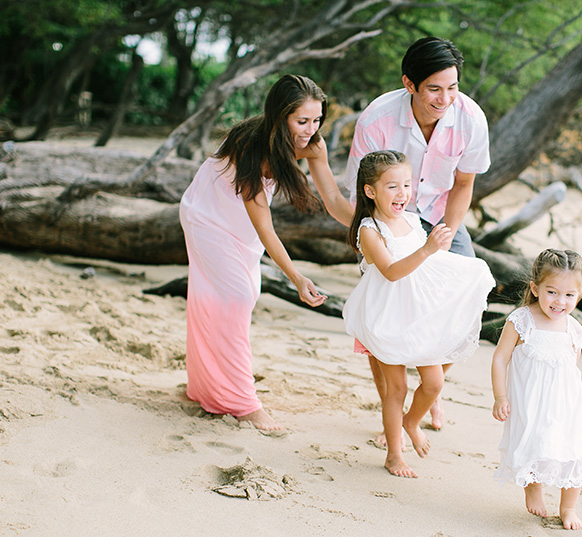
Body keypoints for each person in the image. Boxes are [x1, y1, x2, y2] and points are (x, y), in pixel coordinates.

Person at [179, 74, 353, 434]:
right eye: (301, 121)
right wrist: (297, 277)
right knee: (237, 296)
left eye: (317, 120)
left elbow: (335, 201)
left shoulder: (313, 146)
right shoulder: (251, 147)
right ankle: (244, 403)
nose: (310, 129)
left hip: (238, 226)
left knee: (228, 298)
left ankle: (203, 387)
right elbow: (265, 225)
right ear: (279, 117)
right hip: (207, 217)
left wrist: (374, 222)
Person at [345, 36, 491, 432]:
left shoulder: (471, 118)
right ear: (410, 84)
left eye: (453, 87)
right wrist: (375, 238)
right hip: (389, 219)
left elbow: (463, 184)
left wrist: (444, 237)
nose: (445, 99)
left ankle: (431, 391)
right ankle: (392, 403)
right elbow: (361, 190)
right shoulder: (377, 119)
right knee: (386, 310)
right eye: (434, 89)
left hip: (442, 213)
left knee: (467, 294)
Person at [342, 151, 494, 477]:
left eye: (407, 185)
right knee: (394, 389)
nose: (402, 193)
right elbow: (392, 272)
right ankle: (394, 454)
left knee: (434, 381)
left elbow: (430, 265)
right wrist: (427, 250)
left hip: (419, 311)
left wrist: (464, 271)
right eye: (393, 186)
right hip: (387, 316)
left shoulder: (411, 220)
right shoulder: (370, 230)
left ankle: (412, 421)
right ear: (370, 191)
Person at [491, 249, 582, 529]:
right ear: (535, 288)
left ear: (579, 295)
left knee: (574, 451)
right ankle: (533, 488)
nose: (560, 301)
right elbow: (500, 357)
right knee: (536, 444)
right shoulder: (522, 320)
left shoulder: (574, 329)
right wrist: (500, 396)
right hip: (532, 403)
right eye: (552, 292)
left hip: (568, 405)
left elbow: (570, 369)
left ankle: (568, 508)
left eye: (569, 295)